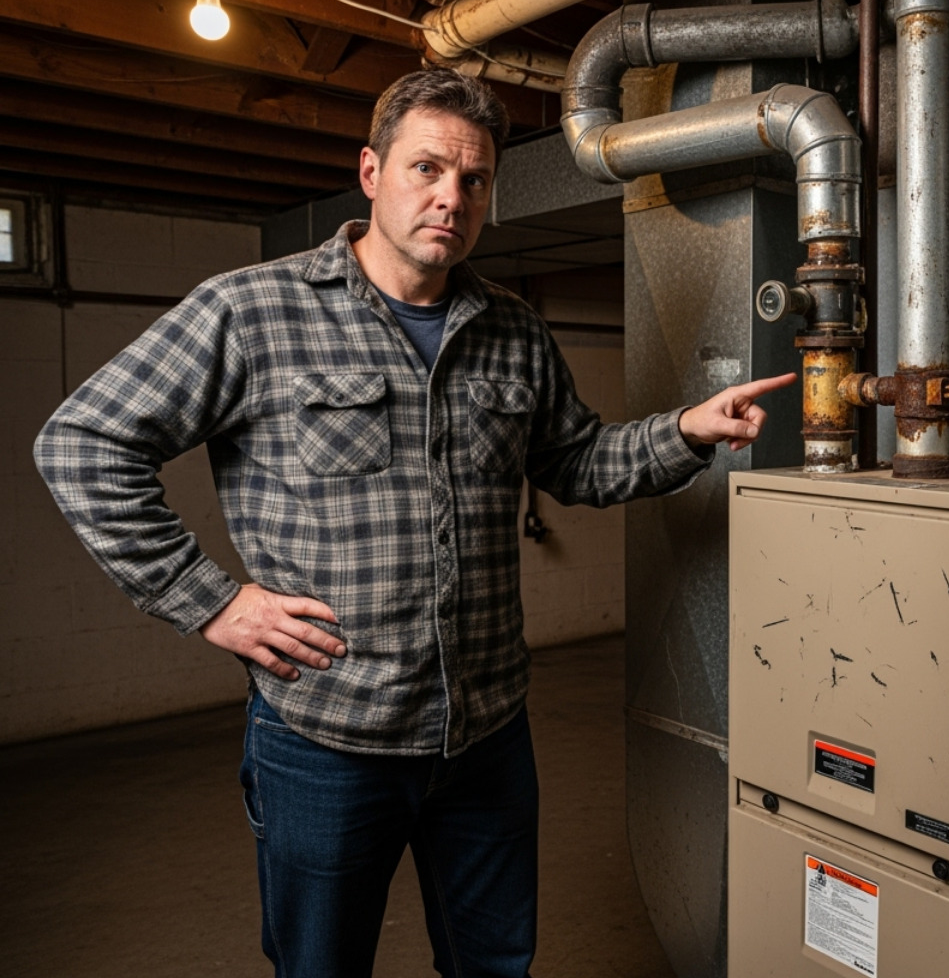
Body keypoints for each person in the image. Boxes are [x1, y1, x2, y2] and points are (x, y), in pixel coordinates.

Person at [34, 69, 794, 978]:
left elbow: (576, 462)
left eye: (474, 180)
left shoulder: (510, 328)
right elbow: (82, 442)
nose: (451, 196)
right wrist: (212, 603)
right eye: (427, 167)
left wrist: (684, 431)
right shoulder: (250, 310)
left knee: (495, 964)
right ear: (370, 171)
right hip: (327, 738)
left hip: (485, 736)